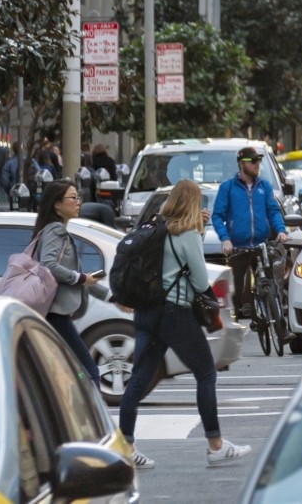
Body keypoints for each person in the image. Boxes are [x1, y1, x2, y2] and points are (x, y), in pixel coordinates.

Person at [119, 180, 252, 470]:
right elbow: (200, 281)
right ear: (193, 204)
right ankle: (215, 446)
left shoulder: (156, 229)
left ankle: (126, 446)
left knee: (139, 379)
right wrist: (198, 234)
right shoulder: (188, 233)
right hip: (174, 314)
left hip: (146, 311)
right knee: (206, 374)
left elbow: (175, 262)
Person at [33, 180, 109, 386]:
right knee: (89, 372)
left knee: (63, 374)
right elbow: (48, 264)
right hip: (55, 314)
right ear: (57, 205)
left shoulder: (55, 231)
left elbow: (78, 277)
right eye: (73, 198)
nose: (78, 203)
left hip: (56, 314)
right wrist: (81, 278)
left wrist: (111, 297)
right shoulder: (55, 230)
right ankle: (88, 416)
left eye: (78, 198)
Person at [211, 147, 288, 318]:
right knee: (235, 292)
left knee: (271, 285)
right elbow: (217, 216)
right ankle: (234, 319)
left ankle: (277, 325)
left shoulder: (264, 186)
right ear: (241, 164)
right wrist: (225, 239)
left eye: (258, 161)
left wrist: (281, 231)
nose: (257, 165)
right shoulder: (228, 188)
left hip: (261, 245)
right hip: (238, 247)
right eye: (253, 161)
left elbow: (273, 211)